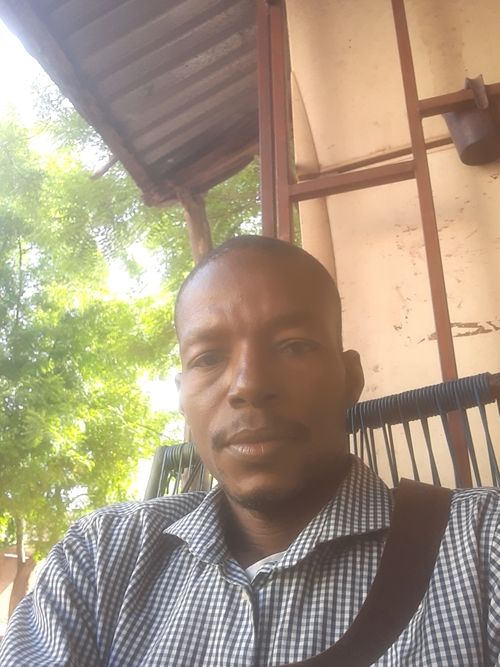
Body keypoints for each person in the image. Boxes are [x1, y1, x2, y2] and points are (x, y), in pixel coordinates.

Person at [1, 235, 499, 666]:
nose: (248, 385)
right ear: (182, 397)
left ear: (350, 378)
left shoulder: (481, 548)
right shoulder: (99, 557)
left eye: (294, 345)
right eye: (208, 358)